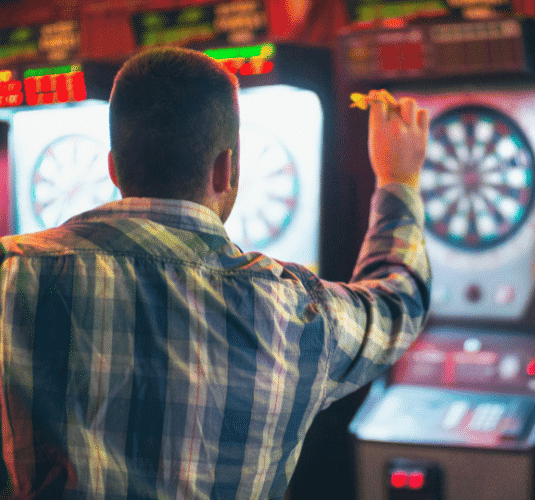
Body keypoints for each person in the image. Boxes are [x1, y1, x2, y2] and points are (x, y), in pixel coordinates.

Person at [0, 46, 430, 499]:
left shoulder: (11, 276)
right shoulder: (291, 313)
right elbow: (398, 301)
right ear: (226, 169)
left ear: (113, 167)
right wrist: (398, 179)